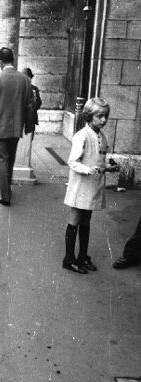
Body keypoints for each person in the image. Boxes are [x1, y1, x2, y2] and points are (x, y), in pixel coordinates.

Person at [63, 98, 118, 274]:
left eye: (106, 116)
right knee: (75, 220)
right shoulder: (82, 136)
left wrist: (108, 166)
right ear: (88, 116)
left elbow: (99, 158)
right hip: (80, 185)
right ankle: (69, 259)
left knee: (86, 221)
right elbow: (72, 161)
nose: (103, 120)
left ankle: (82, 256)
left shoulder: (102, 137)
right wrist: (87, 169)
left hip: (93, 186)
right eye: (99, 116)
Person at [0, 47, 33, 207]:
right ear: (13, 60)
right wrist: (28, 125)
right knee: (10, 160)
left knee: (2, 161)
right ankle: (7, 190)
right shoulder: (25, 80)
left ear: (0, 61)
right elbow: (30, 105)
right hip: (16, 127)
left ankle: (6, 196)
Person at [22, 67, 42, 138]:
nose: (28, 79)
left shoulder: (34, 89)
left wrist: (33, 106)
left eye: (29, 77)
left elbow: (39, 102)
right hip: (21, 118)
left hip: (31, 117)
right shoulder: (19, 89)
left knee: (30, 138)